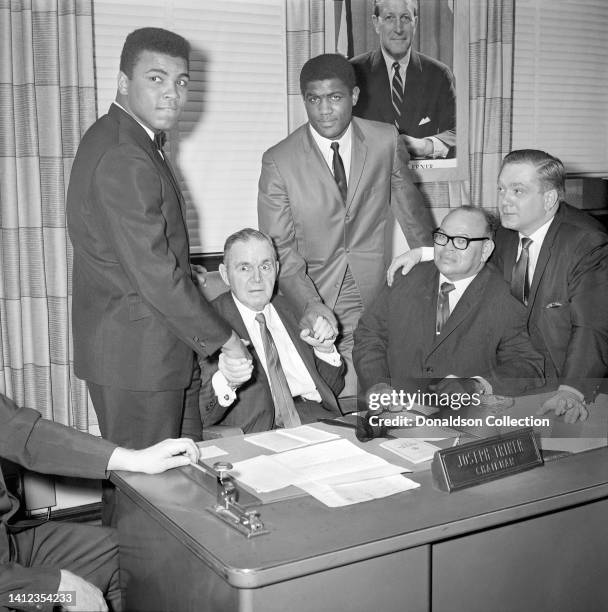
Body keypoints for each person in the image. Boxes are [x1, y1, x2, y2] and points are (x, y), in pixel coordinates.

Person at [66, 27, 250, 452]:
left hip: (155, 352)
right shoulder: (124, 154)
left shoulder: (130, 139)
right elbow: (156, 275)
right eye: (156, 78)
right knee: (145, 499)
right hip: (138, 361)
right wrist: (226, 338)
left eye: (181, 81)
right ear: (123, 82)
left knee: (176, 487)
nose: (172, 93)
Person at [258, 53, 433, 406]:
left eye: (334, 98)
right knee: (330, 396)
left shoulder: (385, 139)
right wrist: (310, 304)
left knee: (380, 390)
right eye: (314, 99)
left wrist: (434, 263)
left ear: (353, 96)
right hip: (311, 291)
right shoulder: (279, 160)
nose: (324, 110)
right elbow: (280, 249)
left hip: (374, 287)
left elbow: (410, 210)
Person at [387, 150, 608, 422]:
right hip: (506, 376)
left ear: (549, 198)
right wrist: (423, 253)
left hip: (559, 383)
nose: (505, 201)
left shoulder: (586, 243)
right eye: (501, 189)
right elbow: (468, 248)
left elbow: (592, 326)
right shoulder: (505, 234)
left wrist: (572, 390)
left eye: (518, 191)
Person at [0, 392, 199, 612]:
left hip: (9, 544)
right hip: (6, 588)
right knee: (64, 596)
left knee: (131, 555)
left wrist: (133, 459)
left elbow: (22, 432)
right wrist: (50, 588)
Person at [353, 207, 544, 404]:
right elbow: (369, 334)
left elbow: (528, 365)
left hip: (462, 420)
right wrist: (377, 385)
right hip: (394, 416)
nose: (447, 248)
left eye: (461, 241)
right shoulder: (405, 278)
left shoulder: (505, 298)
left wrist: (476, 385)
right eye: (442, 237)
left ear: (486, 250)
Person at [190, 229, 345, 435]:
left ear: (277, 269)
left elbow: (332, 388)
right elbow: (200, 415)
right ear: (225, 275)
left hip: (320, 421)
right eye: (244, 268)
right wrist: (227, 381)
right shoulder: (206, 324)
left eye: (265, 266)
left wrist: (325, 351)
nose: (257, 278)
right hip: (260, 434)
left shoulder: (295, 311)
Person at [351, 0, 456, 159]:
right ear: (376, 23)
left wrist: (426, 146)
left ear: (416, 22)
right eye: (389, 18)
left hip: (425, 180)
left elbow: (458, 132)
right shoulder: (352, 73)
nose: (398, 29)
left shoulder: (439, 75)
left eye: (405, 18)